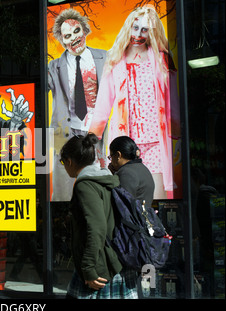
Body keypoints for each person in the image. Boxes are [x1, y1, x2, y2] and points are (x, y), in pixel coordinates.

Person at [89, 6, 181, 200]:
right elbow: (104, 103)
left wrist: (177, 135)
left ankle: (156, 230)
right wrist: (92, 140)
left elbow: (172, 99)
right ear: (128, 27)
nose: (138, 34)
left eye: (145, 29)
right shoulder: (114, 59)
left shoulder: (162, 58)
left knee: (156, 197)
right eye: (135, 27)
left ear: (152, 31)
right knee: (127, 196)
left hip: (156, 139)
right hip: (126, 141)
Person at [60, 133, 137, 299]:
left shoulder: (85, 186)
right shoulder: (104, 178)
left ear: (70, 161)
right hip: (113, 260)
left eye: (62, 162)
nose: (64, 167)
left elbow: (97, 228)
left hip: (99, 267)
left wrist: (88, 267)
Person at [48, 8, 107, 201]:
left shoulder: (105, 58)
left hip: (95, 135)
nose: (73, 37)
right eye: (67, 35)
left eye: (76, 31)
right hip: (66, 135)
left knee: (98, 191)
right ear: (62, 41)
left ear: (84, 30)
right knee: (62, 193)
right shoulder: (53, 67)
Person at [108, 136, 155, 208]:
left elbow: (121, 205)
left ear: (118, 155)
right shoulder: (142, 168)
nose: (111, 162)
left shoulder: (126, 173)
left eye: (111, 157)